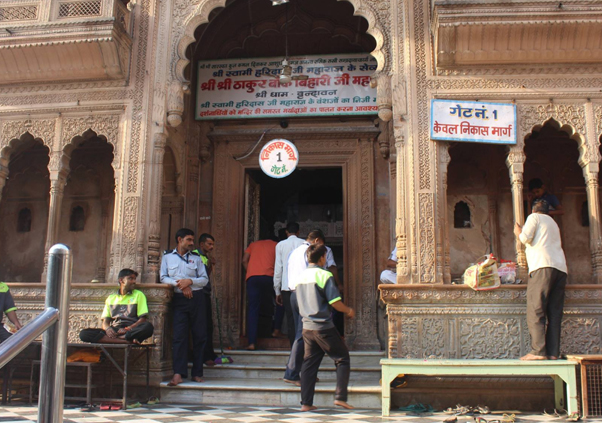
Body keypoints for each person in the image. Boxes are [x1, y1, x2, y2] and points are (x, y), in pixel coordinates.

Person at [297, 244, 355, 411]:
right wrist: (348, 310)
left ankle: (306, 404)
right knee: (342, 358)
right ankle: (340, 397)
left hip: (307, 327)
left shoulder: (300, 277)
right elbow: (334, 302)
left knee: (309, 364)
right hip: (323, 326)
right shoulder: (324, 275)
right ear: (322, 258)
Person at [514, 199, 568, 360]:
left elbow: (525, 238)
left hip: (542, 267)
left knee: (536, 309)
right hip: (560, 269)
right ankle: (553, 353)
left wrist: (518, 231)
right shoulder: (553, 223)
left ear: (533, 209)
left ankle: (538, 351)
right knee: (554, 312)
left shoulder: (534, 218)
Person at [161, 228, 209, 385]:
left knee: (199, 335)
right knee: (179, 337)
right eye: (188, 240)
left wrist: (190, 282)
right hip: (179, 299)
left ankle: (197, 372)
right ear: (179, 239)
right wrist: (181, 284)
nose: (192, 243)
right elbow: (163, 277)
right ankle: (178, 373)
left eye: (192, 240)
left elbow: (204, 279)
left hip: (197, 299)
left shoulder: (196, 258)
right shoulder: (167, 257)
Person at [283, 229, 329, 386]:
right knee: (302, 335)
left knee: (307, 334)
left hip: (294, 294)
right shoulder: (309, 252)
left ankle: (306, 372)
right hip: (305, 294)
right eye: (322, 246)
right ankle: (292, 373)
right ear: (316, 240)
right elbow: (313, 274)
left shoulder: (295, 252)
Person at [80, 269, 154, 344]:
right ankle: (125, 341)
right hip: (115, 330)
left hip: (130, 330)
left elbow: (142, 319)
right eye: (130, 278)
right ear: (121, 280)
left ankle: (122, 338)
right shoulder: (111, 298)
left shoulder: (138, 295)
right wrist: (108, 329)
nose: (134, 282)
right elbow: (105, 321)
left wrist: (128, 329)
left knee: (148, 327)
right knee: (84, 334)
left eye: (134, 279)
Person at [242, 235, 278, 350]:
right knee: (280, 302)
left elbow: (244, 260)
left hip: (253, 278)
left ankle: (251, 343)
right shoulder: (276, 245)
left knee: (253, 309)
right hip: (269, 277)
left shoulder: (253, 245)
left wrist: (251, 272)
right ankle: (277, 330)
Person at [274, 222, 305, 345]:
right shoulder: (304, 244)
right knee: (304, 317)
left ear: (286, 232)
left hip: (286, 287)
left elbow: (278, 268)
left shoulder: (280, 245)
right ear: (298, 232)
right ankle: (304, 345)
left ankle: (294, 346)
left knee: (291, 317)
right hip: (302, 286)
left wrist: (277, 290)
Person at [193, 233, 218, 367]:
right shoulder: (195, 256)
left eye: (212, 244)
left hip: (205, 292)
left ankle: (209, 353)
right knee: (203, 325)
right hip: (198, 294)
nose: (211, 247)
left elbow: (205, 276)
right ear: (202, 244)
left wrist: (210, 266)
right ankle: (204, 355)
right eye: (209, 244)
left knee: (209, 324)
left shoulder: (205, 257)